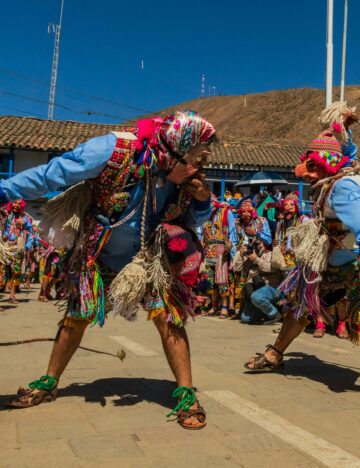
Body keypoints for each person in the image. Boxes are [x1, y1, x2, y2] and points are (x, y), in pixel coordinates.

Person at [1, 111, 216, 430]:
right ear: (171, 151)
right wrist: (5, 190)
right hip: (96, 250)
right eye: (195, 159)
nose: (200, 168)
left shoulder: (182, 180)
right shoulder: (113, 150)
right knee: (78, 315)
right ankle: (49, 382)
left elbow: (193, 222)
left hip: (146, 258)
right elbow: (53, 174)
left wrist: (202, 200)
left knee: (168, 315)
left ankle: (186, 392)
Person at [245, 111, 360, 404]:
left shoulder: (344, 186)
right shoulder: (342, 173)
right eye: (306, 165)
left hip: (357, 263)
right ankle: (275, 354)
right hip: (332, 264)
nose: (307, 173)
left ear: (327, 165)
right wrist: (342, 130)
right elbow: (349, 151)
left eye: (312, 166)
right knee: (300, 307)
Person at [202, 194, 237, 318]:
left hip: (222, 249)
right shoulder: (204, 216)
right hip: (208, 249)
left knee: (222, 279)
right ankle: (214, 306)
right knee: (210, 280)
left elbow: (232, 232)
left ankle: (225, 307)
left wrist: (231, 250)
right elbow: (201, 234)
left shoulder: (225, 212)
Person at [234, 238, 282, 324]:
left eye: (260, 243)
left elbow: (270, 268)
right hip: (254, 289)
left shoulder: (271, 254)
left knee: (256, 297)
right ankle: (263, 313)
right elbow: (237, 269)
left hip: (270, 287)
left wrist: (256, 259)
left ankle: (274, 313)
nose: (259, 245)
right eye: (257, 244)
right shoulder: (252, 254)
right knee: (245, 319)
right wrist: (242, 256)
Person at [2, 199, 33, 303]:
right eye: (15, 203)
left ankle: (12, 296)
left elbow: (30, 232)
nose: (17, 205)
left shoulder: (24, 218)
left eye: (19, 203)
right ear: (11, 203)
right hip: (4, 247)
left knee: (16, 271)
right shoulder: (4, 214)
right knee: (2, 271)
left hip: (17, 248)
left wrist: (26, 246)